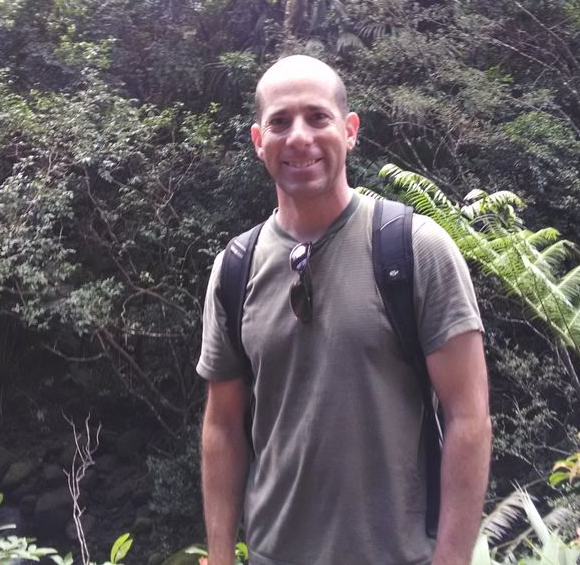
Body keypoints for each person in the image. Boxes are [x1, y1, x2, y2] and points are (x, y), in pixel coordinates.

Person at [197, 55, 491, 565]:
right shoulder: (234, 270)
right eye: (280, 122)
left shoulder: (415, 250)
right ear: (258, 141)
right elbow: (222, 425)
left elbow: (469, 415)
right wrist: (222, 556)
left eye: (318, 117)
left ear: (349, 130)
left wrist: (451, 559)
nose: (299, 137)